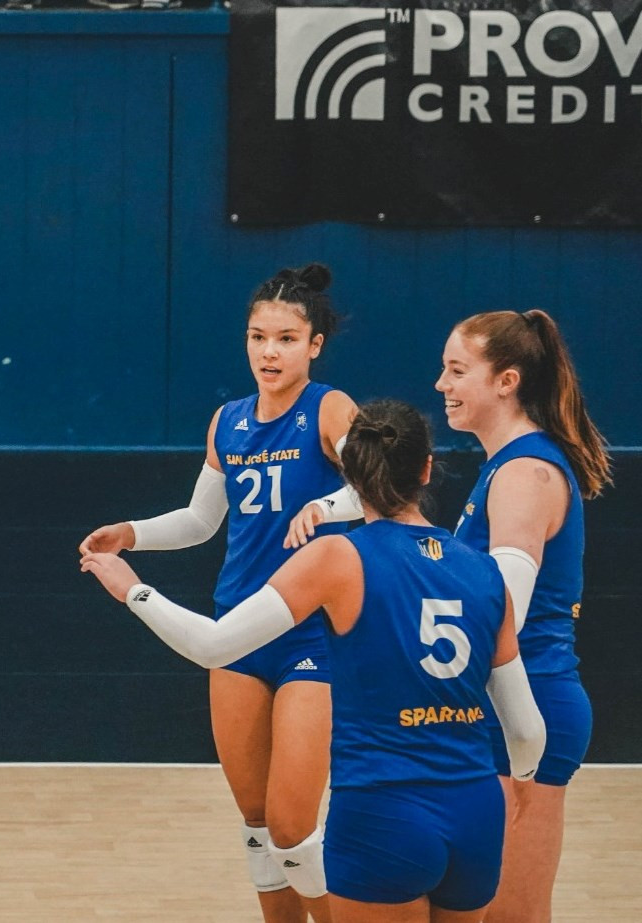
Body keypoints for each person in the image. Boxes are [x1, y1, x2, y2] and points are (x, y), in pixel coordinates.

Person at [84, 399, 547, 923]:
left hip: (382, 811)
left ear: (347, 472)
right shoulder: (486, 574)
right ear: (425, 467)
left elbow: (213, 645)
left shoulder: (338, 558)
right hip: (473, 811)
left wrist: (134, 591)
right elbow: (527, 730)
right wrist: (524, 781)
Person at [78, 263, 356, 922]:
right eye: (258, 336)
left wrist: (330, 509)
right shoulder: (226, 422)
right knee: (258, 823)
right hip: (236, 631)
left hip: (307, 634)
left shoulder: (329, 408)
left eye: (286, 338)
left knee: (293, 823)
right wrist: (131, 533)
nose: (268, 351)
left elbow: (376, 486)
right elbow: (202, 520)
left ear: (313, 344)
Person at [435, 310, 610, 923]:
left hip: (525, 708)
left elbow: (502, 613)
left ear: (506, 381)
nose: (442, 385)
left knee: (514, 916)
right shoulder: (503, 468)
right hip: (498, 709)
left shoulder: (524, 473)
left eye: (457, 371)